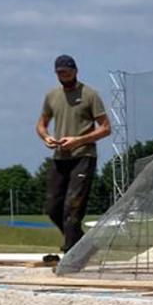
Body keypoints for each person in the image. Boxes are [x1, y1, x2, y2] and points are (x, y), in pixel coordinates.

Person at [36, 55, 110, 253]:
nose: (64, 76)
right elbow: (41, 125)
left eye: (67, 72)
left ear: (75, 71)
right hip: (60, 157)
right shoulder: (52, 96)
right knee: (53, 207)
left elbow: (105, 128)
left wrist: (78, 140)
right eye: (60, 73)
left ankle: (70, 252)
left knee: (73, 208)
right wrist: (46, 137)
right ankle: (82, 244)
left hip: (83, 156)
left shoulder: (90, 95)